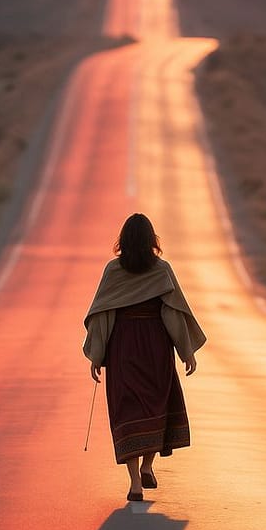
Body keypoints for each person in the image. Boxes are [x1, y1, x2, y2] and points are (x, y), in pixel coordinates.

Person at [83, 213, 206, 502]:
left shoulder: (113, 271)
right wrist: (185, 351)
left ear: (123, 240)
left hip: (123, 347)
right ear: (152, 240)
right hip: (155, 346)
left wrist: (96, 356)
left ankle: (136, 481)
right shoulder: (161, 270)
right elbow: (173, 312)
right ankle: (149, 465)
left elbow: (102, 316)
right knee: (155, 406)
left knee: (127, 409)